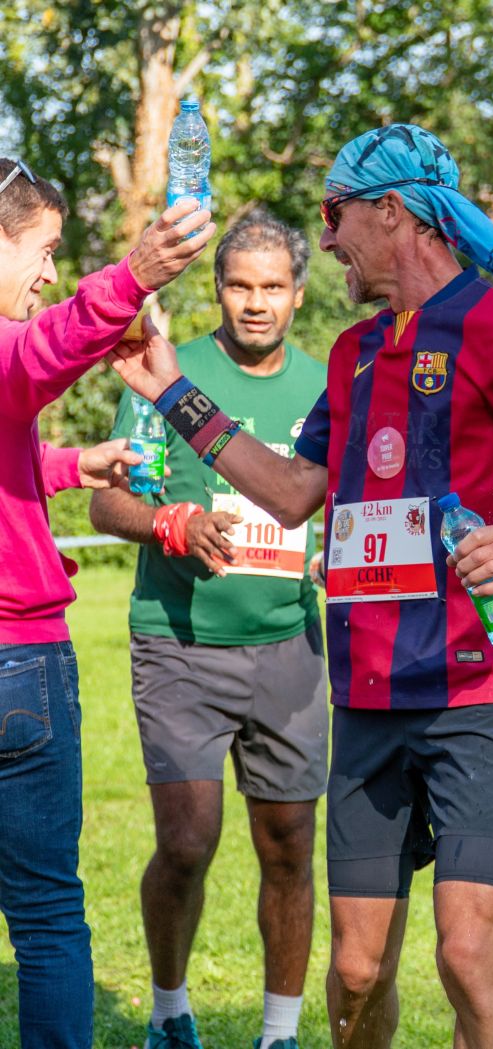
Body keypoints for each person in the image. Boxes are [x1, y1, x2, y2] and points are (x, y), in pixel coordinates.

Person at [108, 124, 493, 1049]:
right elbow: (288, 493)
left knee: (469, 953)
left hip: (487, 690)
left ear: (391, 211)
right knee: (357, 970)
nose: (324, 240)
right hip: (366, 697)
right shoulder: (355, 354)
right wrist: (171, 394)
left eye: (334, 216)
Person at [90, 209, 328, 1049]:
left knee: (290, 845)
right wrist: (169, 523)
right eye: (239, 285)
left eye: (272, 287)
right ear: (218, 289)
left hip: (290, 647)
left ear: (298, 294)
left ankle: (280, 1033)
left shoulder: (326, 388)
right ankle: (169, 1011)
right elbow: (106, 496)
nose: (255, 303)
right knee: (187, 843)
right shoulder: (169, 373)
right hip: (179, 640)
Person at [0, 155, 215, 1049]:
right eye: (43, 250)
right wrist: (131, 277)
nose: (50, 272)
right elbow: (41, 353)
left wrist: (66, 465)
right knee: (49, 915)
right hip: (19, 663)